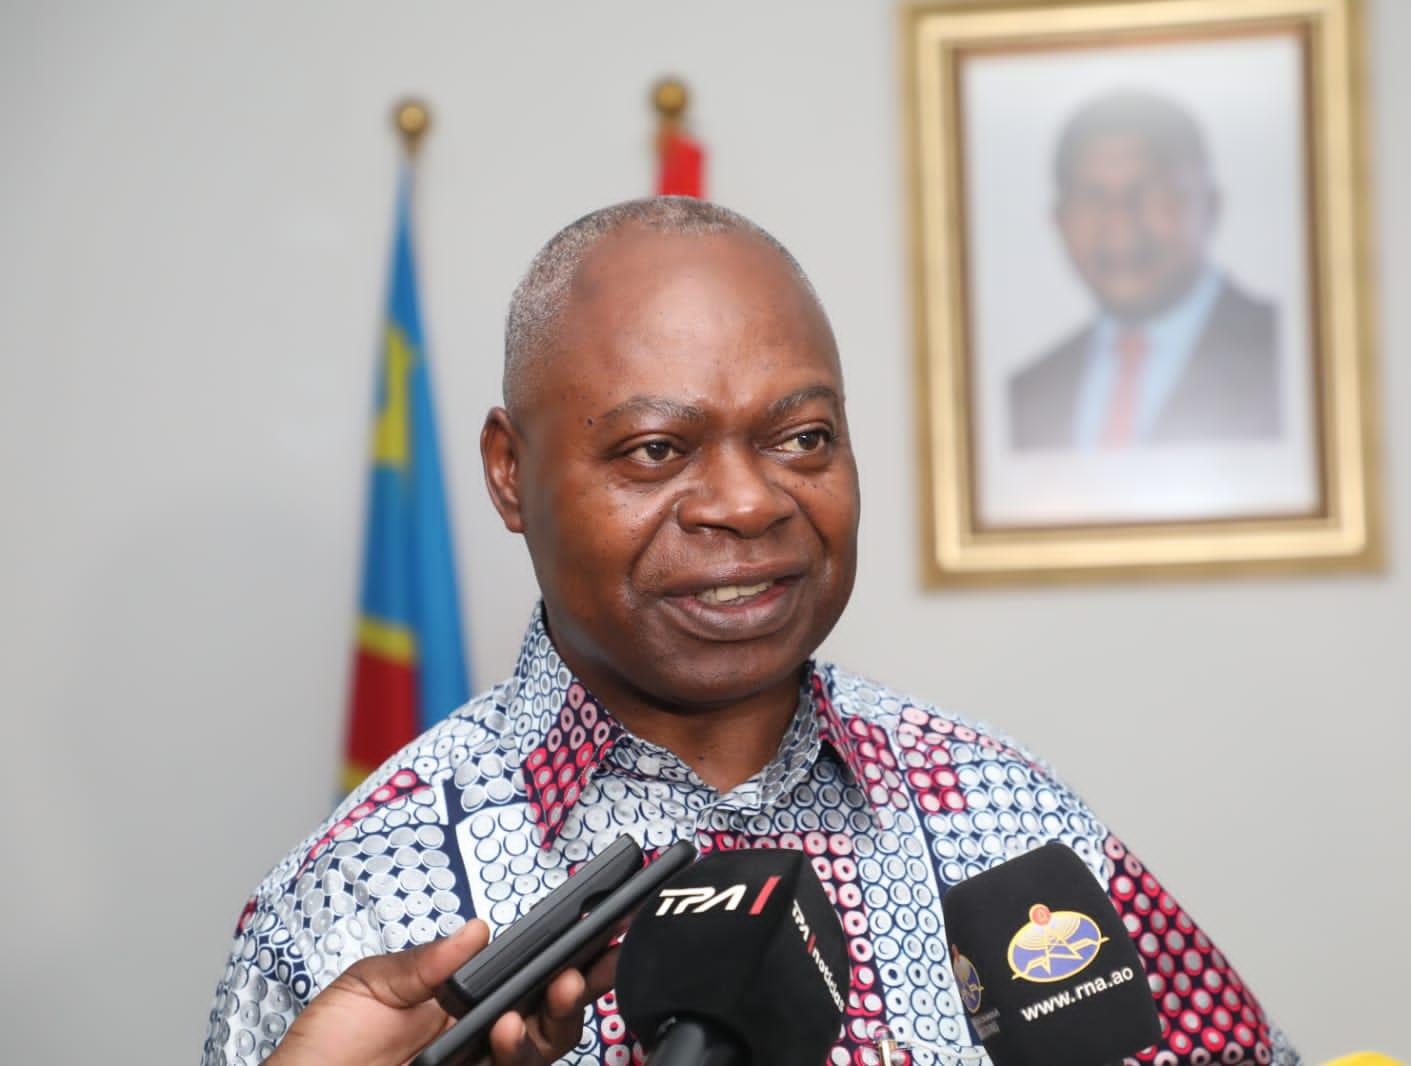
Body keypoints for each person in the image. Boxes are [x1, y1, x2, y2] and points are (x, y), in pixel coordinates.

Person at [202, 197, 1300, 1066]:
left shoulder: (1005, 817)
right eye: (656, 451)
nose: (746, 502)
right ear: (508, 472)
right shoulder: (362, 896)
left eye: (802, 437)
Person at [1009, 90, 1281, 451]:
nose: (1120, 220)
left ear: (1211, 207)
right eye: (1093, 196)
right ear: (1059, 220)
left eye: (1150, 192)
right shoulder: (1025, 392)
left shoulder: (1287, 355)